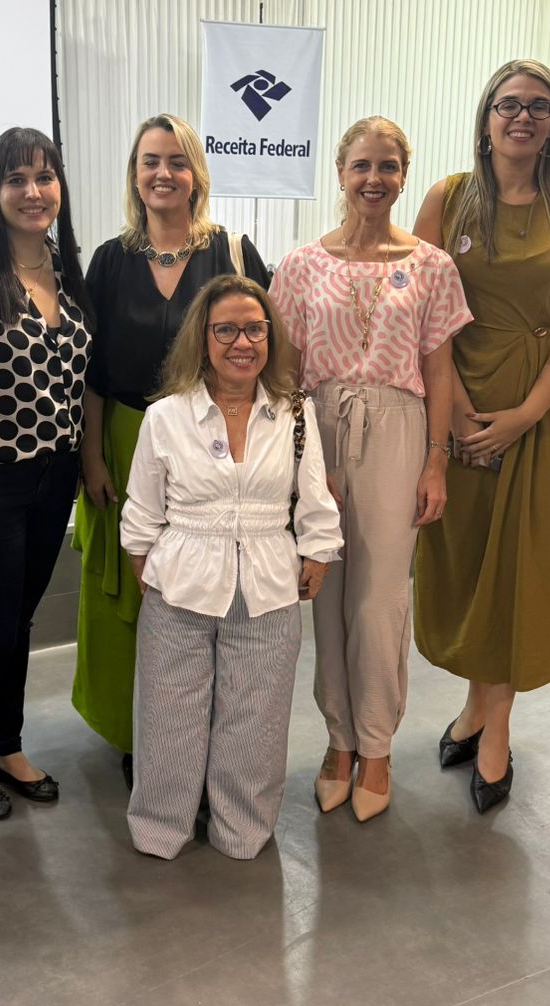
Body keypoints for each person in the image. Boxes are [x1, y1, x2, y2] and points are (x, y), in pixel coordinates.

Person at [413, 60, 550, 811]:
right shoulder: (448, 198)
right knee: (467, 564)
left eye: (539, 106)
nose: (523, 117)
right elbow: (419, 308)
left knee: (519, 570)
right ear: (487, 116)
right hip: (455, 397)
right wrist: (456, 410)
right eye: (509, 104)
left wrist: (525, 415)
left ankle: (495, 730)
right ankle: (473, 707)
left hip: (538, 404)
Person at [270, 118, 471, 821]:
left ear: (403, 176)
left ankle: (377, 745)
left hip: (397, 429)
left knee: (378, 600)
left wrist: (437, 462)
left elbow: (439, 371)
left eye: (387, 166)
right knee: (324, 591)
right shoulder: (300, 266)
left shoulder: (432, 266)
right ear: (340, 172)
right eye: (362, 165)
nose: (374, 178)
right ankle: (339, 741)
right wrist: (299, 461)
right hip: (320, 423)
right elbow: (285, 371)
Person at [72, 114, 269, 784]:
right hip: (126, 442)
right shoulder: (110, 260)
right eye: (150, 161)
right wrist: (92, 456)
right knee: (133, 595)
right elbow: (92, 372)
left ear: (196, 175)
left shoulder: (232, 253)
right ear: (135, 175)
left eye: (177, 161)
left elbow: (261, 355)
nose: (163, 173)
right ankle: (138, 733)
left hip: (212, 446)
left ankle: (204, 734)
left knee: (202, 596)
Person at [121, 274, 342, 859]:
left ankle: (241, 827)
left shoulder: (295, 413)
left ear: (270, 336)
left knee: (256, 718)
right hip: (180, 584)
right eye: (226, 330)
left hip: (268, 582)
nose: (242, 343)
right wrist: (148, 570)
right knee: (169, 714)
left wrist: (318, 553)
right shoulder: (165, 417)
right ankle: (160, 824)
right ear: (203, 337)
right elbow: (142, 511)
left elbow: (315, 497)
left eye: (254, 329)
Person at [0, 129, 92, 819]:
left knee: (20, 620)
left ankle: (6, 742)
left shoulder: (67, 264)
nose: (33, 192)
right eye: (16, 179)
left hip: (56, 474)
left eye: (45, 177)